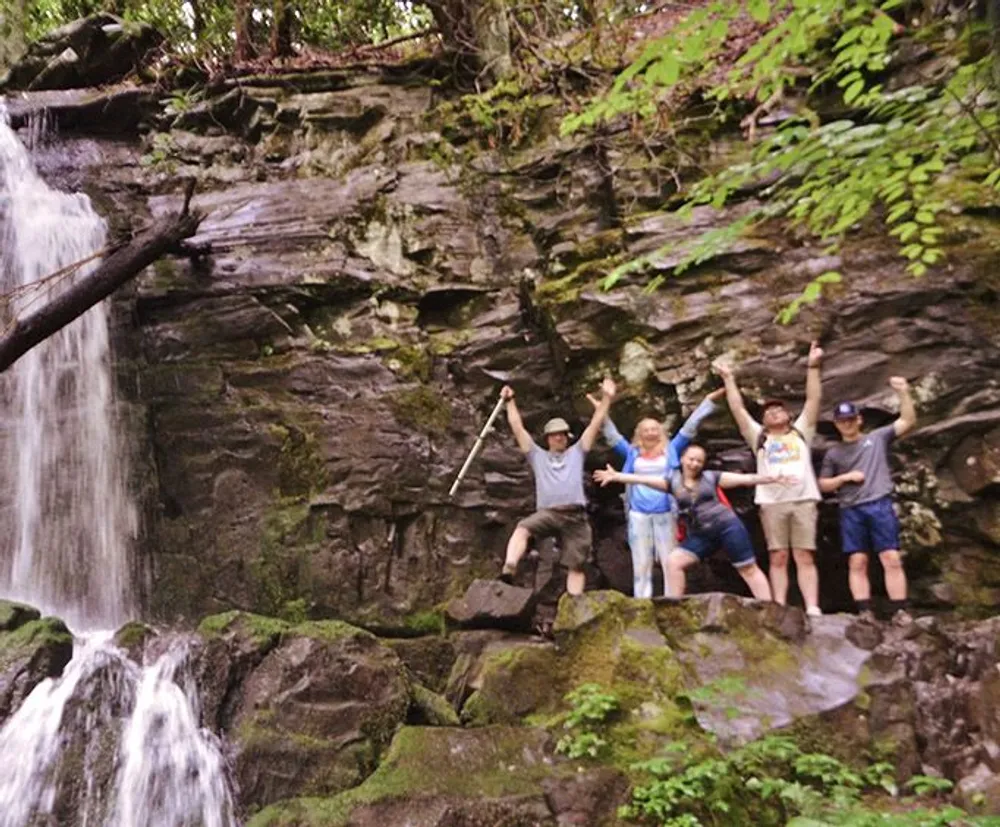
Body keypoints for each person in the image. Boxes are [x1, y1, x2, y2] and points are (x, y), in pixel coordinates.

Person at [713, 343, 824, 616]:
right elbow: (739, 411)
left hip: (803, 499)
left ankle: (811, 606)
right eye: (768, 412)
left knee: (804, 555)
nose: (774, 413)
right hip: (772, 502)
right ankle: (779, 605)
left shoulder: (800, 434)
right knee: (778, 555)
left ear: (788, 416)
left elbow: (813, 401)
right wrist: (729, 380)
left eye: (779, 410)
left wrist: (813, 367)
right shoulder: (760, 437)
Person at [594, 443, 783, 600]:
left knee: (747, 568)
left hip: (727, 526)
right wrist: (618, 476)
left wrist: (771, 478)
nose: (695, 464)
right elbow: (643, 479)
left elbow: (745, 479)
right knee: (674, 561)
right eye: (691, 459)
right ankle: (675, 605)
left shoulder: (712, 477)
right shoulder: (672, 481)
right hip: (702, 533)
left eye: (699, 461)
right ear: (683, 459)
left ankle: (767, 606)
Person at [591, 388, 726, 598]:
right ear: (639, 433)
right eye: (646, 429)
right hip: (638, 513)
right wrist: (601, 411)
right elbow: (611, 435)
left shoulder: (672, 450)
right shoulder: (631, 453)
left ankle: (672, 601)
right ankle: (641, 604)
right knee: (641, 561)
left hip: (665, 511)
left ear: (661, 432)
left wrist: (708, 401)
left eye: (655, 428)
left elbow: (689, 428)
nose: (651, 432)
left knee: (669, 559)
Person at [498, 377, 616, 596]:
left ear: (567, 437)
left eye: (562, 434)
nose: (558, 438)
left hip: (575, 515)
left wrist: (607, 398)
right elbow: (518, 428)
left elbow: (595, 423)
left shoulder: (577, 452)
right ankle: (510, 566)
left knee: (577, 563)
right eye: (554, 435)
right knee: (522, 528)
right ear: (547, 438)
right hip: (549, 513)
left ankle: (574, 604)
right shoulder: (537, 456)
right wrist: (510, 401)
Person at [818, 377, 917, 624]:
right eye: (842, 421)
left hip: (879, 503)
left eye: (851, 419)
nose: (847, 424)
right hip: (851, 509)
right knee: (857, 560)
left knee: (890, 557)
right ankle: (864, 611)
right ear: (837, 424)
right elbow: (823, 484)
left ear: (859, 419)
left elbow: (907, 421)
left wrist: (904, 393)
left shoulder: (877, 438)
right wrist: (845, 477)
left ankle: (900, 611)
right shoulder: (834, 452)